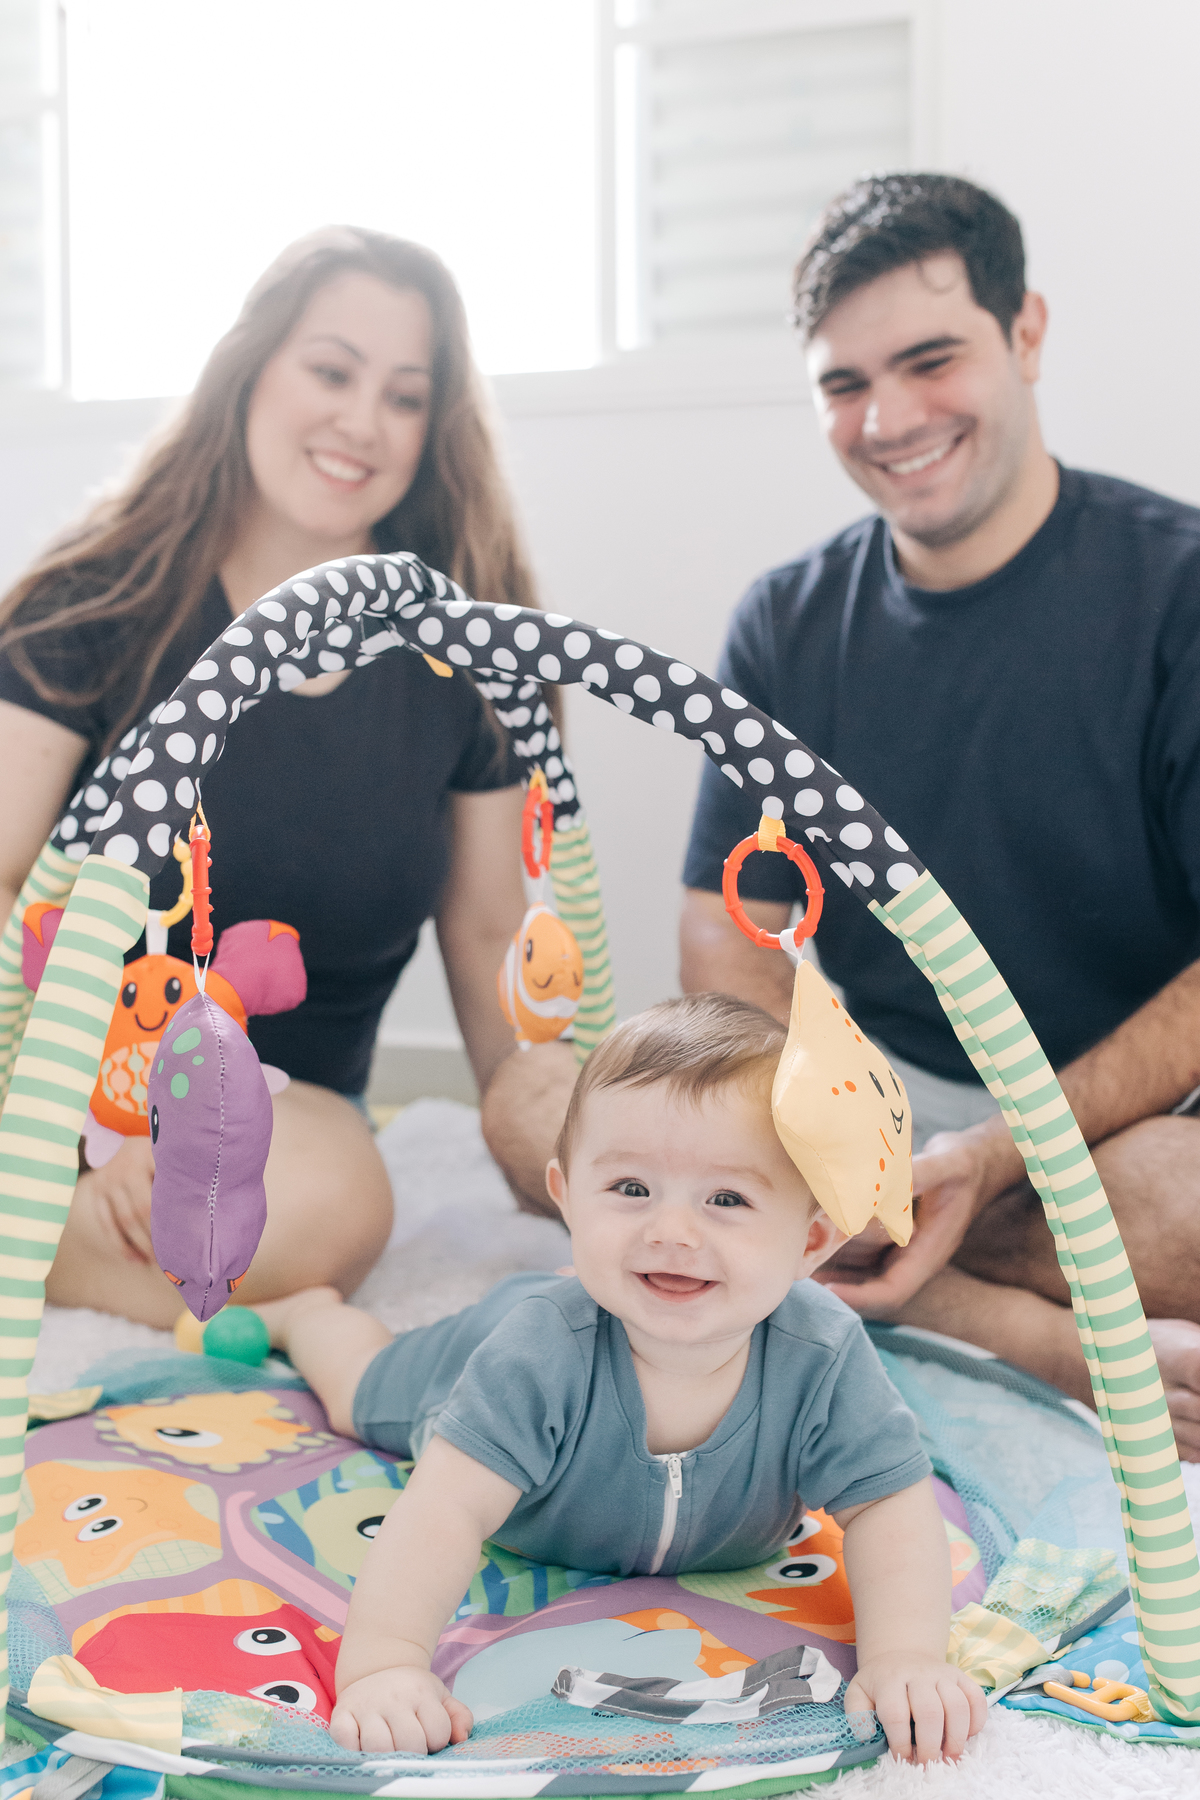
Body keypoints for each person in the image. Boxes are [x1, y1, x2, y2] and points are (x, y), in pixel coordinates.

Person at [680, 173, 1200, 1457]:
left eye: (930, 361)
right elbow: (726, 931)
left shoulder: (1177, 589)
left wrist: (998, 1154)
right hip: (877, 1105)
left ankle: (822, 1262)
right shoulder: (785, 620)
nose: (890, 419)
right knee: (551, 1112)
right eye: (845, 384)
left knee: (1178, 1206)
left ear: (1026, 333)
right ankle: (1023, 1331)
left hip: (1108, 1116)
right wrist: (821, 1141)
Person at [0, 225, 575, 1328]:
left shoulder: (470, 658)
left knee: (345, 1197)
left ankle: (51, 1247)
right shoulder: (97, 602)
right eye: (331, 371)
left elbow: (488, 931)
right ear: (251, 368)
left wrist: (555, 1134)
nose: (362, 421)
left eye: (405, 397)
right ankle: (80, 1229)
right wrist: (78, 1114)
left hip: (272, 1127)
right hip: (46, 1091)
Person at [258, 994, 987, 1766]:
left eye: (727, 1199)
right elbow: (443, 1511)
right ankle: (308, 1314)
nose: (671, 1232)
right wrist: (386, 1665)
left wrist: (905, 1657)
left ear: (811, 1241)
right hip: (491, 1345)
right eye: (632, 1189)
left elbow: (888, 1504)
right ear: (568, 1197)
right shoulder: (536, 1354)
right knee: (360, 1389)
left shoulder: (824, 1355)